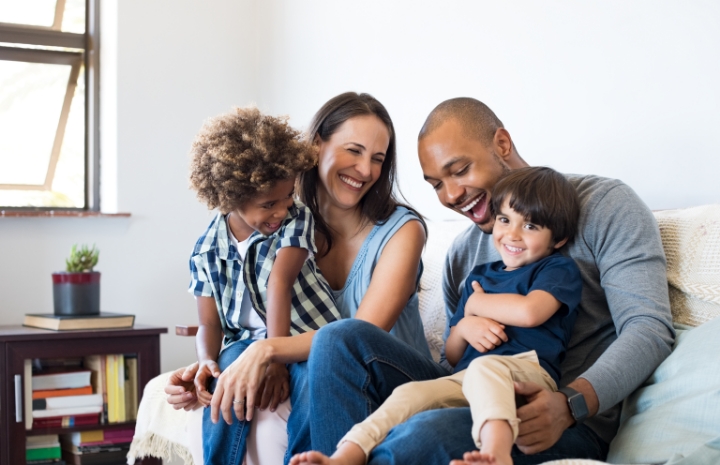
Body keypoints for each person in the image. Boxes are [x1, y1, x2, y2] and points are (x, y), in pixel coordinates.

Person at [303, 97, 675, 464]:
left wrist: (570, 404)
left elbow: (648, 328)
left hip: (556, 416)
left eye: (460, 170)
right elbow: (455, 359)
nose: (450, 196)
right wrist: (465, 326)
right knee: (339, 339)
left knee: (421, 434)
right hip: (472, 390)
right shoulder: (464, 253)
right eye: (436, 184)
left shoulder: (604, 205)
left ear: (501, 144)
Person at [165, 92, 440, 465]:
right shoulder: (278, 221)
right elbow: (240, 317)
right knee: (239, 387)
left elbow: (357, 337)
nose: (365, 170)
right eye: (353, 151)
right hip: (316, 368)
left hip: (388, 379)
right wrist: (208, 366)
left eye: (378, 159)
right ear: (315, 147)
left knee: (324, 358)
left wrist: (267, 351)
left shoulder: (402, 232)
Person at [290, 166, 582, 465]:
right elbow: (453, 355)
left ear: (557, 240)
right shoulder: (479, 277)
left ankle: (496, 454)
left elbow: (531, 312)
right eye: (505, 220)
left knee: (486, 369)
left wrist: (476, 307)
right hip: (466, 377)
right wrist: (466, 325)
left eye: (531, 226)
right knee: (409, 395)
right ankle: (344, 456)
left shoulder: (556, 269)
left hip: (525, 375)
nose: (513, 234)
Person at [186, 106, 343, 464]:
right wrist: (205, 361)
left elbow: (279, 284)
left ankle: (306, 458)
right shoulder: (206, 250)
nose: (282, 209)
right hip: (244, 344)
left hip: (304, 336)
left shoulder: (295, 218)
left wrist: (274, 359)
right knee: (225, 378)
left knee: (311, 381)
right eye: (269, 204)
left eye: (288, 196)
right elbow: (209, 323)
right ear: (230, 198)